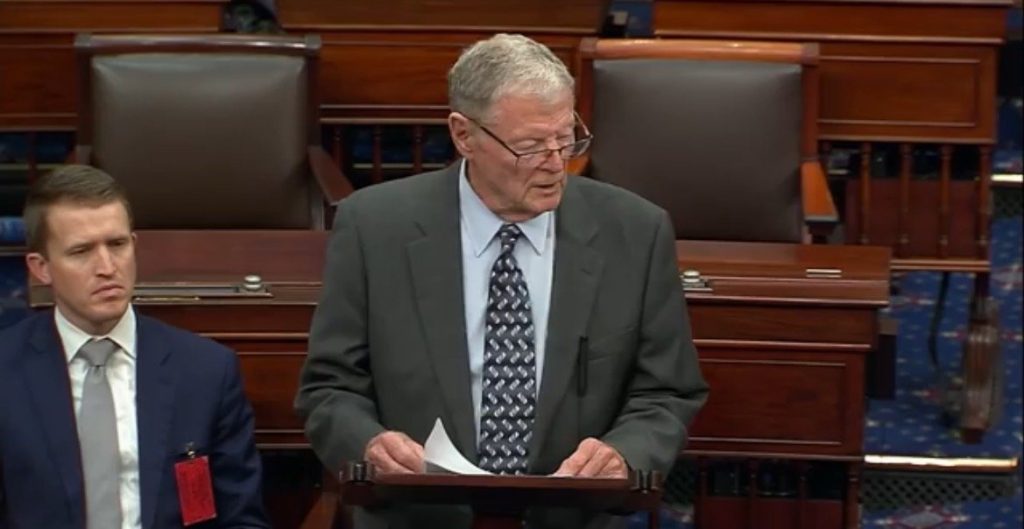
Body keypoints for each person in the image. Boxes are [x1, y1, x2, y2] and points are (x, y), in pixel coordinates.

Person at [296, 33, 708, 529]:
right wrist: (367, 444)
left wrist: (625, 453)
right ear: (464, 135)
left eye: (566, 138)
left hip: (574, 519)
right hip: (418, 516)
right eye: (530, 146)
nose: (556, 163)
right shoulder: (374, 227)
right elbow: (330, 386)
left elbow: (667, 391)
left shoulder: (636, 232)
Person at [0, 164, 270, 529]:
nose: (107, 267)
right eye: (81, 251)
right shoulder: (6, 371)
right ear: (41, 268)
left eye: (117, 244)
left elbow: (241, 519)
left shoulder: (206, 372)